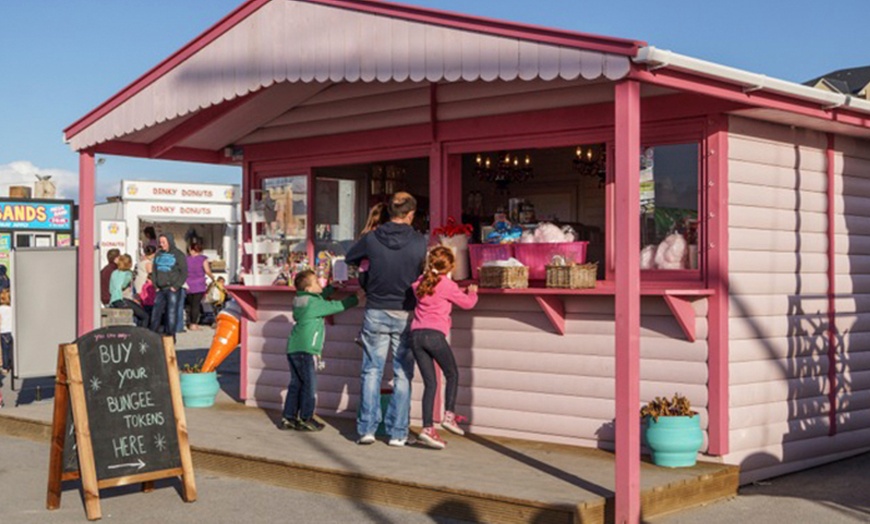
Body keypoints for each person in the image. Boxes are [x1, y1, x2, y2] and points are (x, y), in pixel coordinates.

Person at [345, 192, 427, 446]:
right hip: (406, 311)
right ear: (411, 214)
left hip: (376, 309)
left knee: (371, 370)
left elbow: (350, 257)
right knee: (403, 373)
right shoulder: (420, 242)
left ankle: (367, 429)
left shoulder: (371, 238)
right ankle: (398, 433)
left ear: (390, 212)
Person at [410, 246, 478, 449]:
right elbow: (467, 304)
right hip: (434, 336)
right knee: (452, 374)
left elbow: (427, 288)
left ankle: (427, 429)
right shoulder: (447, 285)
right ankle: (448, 416)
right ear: (451, 266)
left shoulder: (418, 284)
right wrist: (473, 293)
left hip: (416, 336)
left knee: (430, 384)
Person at [280, 270, 362, 431]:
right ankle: (306, 418)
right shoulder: (314, 303)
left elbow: (319, 296)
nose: (320, 284)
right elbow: (338, 305)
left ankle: (288, 417)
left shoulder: (300, 299)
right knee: (309, 386)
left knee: (296, 384)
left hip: (293, 348)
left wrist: (331, 288)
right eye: (317, 282)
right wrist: (357, 298)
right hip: (307, 349)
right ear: (309, 289)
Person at [149, 233, 187, 337]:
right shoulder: (158, 254)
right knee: (156, 312)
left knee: (171, 313)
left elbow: (184, 272)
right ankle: (153, 335)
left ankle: (170, 336)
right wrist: (155, 285)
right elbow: (154, 271)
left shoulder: (178, 255)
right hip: (160, 289)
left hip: (172, 288)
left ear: (169, 242)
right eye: (160, 242)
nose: (162, 244)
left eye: (163, 242)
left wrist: (176, 286)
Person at [109, 254, 149, 327]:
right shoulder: (128, 274)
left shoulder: (114, 273)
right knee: (144, 316)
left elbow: (111, 289)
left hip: (113, 300)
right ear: (129, 264)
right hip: (122, 300)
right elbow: (123, 286)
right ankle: (141, 336)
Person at [184, 242, 215, 331]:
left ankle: (189, 322)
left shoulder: (186, 259)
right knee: (196, 305)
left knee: (190, 305)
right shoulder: (203, 259)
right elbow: (207, 271)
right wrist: (213, 278)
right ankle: (193, 324)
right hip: (199, 284)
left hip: (188, 284)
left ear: (191, 249)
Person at [0, 288, 12, 407]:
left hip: (3, 332)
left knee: (5, 350)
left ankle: (5, 367)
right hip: (11, 331)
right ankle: (10, 365)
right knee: (10, 350)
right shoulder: (11, 309)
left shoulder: (0, 309)